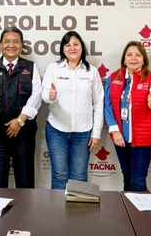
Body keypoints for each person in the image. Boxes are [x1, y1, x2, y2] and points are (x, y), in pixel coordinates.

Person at [0, 26, 42, 188]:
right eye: (7, 41)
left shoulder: (30, 67)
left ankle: (24, 208)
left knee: (25, 185)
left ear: (21, 45)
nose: (11, 45)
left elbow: (36, 96)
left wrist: (20, 120)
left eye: (15, 42)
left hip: (24, 134)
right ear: (0, 45)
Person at [41, 31, 104, 190]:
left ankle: (77, 207)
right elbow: (45, 95)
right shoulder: (53, 68)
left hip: (83, 132)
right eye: (68, 45)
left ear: (82, 47)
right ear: (63, 49)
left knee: (79, 176)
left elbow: (98, 103)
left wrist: (96, 133)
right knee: (59, 175)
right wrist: (50, 96)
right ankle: (58, 207)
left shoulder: (92, 71)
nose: (72, 48)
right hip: (56, 130)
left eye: (76, 44)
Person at [105, 41, 151, 191]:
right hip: (120, 138)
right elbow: (107, 106)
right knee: (127, 178)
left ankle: (140, 207)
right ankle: (127, 207)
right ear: (124, 59)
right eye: (129, 55)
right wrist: (114, 131)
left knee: (138, 181)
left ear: (144, 59)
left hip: (143, 139)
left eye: (138, 55)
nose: (133, 58)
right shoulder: (114, 78)